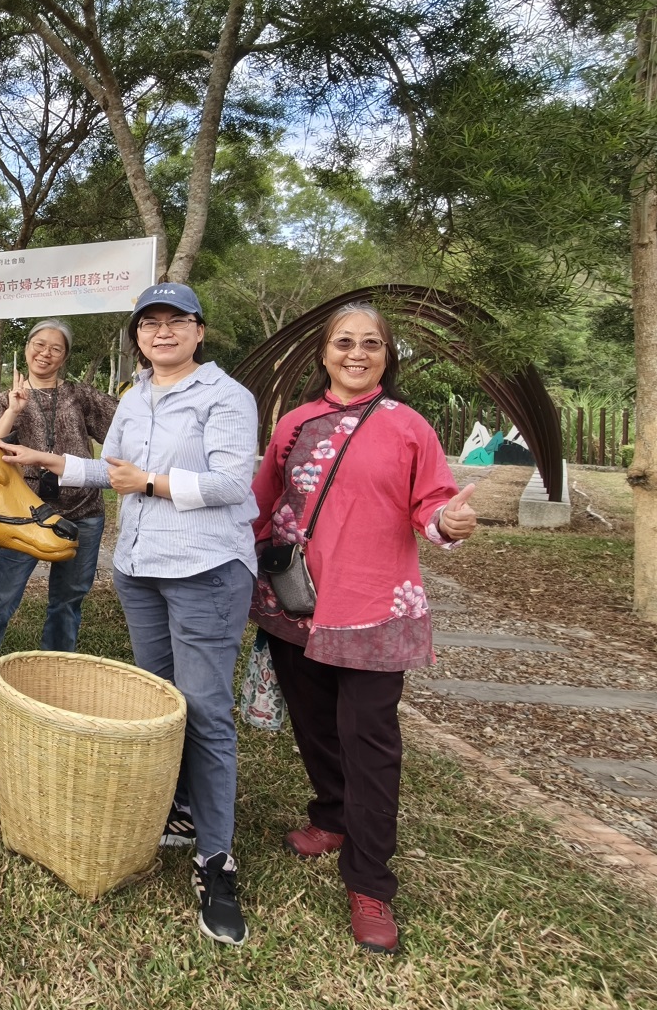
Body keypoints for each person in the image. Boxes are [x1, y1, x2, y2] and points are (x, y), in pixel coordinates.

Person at [0, 283, 258, 946]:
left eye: (175, 321)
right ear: (137, 336)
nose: (162, 331)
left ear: (199, 330)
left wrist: (148, 483)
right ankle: (176, 809)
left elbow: (232, 483)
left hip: (203, 568)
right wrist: (43, 459)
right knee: (161, 698)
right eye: (150, 322)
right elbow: (107, 468)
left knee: (203, 708)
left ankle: (215, 857)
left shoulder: (225, 397)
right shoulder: (136, 395)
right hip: (139, 566)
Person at [251, 303, 477, 955]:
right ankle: (332, 817)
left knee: (369, 741)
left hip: (376, 608)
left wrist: (448, 523)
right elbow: (261, 504)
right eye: (343, 342)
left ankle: (369, 879)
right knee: (313, 723)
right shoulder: (294, 424)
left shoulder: (409, 427)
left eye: (369, 343)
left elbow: (433, 504)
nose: (356, 352)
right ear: (323, 353)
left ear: (386, 354)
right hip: (296, 603)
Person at [0, 319, 115, 700]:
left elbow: (126, 425)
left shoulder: (81, 396)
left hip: (82, 509)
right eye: (39, 344)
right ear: (26, 349)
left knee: (67, 599)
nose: (45, 353)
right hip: (27, 512)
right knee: (0, 595)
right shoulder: (7, 399)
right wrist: (15, 409)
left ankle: (55, 671)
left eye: (56, 348)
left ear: (65, 357)